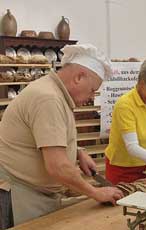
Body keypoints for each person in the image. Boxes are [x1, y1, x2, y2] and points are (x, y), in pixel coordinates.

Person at [0, 44, 124, 226]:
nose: (92, 96)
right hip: (19, 196)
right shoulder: (48, 98)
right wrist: (95, 192)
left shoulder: (55, 93)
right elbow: (57, 166)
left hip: (35, 193)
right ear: (79, 77)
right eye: (92, 90)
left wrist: (78, 152)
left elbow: (47, 135)